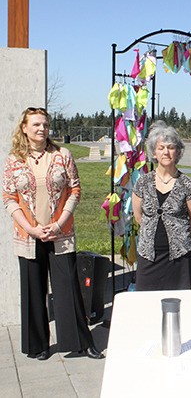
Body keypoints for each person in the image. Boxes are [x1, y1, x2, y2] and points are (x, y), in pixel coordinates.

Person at [2, 107, 104, 360]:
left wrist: (58, 225)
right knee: (33, 290)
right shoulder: (14, 159)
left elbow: (75, 191)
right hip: (28, 236)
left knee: (68, 288)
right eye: (36, 124)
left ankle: (81, 342)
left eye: (45, 125)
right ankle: (39, 345)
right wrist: (30, 228)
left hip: (60, 233)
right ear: (24, 128)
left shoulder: (63, 155)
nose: (42, 129)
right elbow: (8, 197)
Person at [132, 121, 191, 291]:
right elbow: (139, 217)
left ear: (177, 151)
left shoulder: (187, 184)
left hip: (179, 257)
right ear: (154, 152)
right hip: (149, 255)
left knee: (179, 305)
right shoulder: (143, 182)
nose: (166, 152)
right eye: (161, 147)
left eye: (171, 147)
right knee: (147, 305)